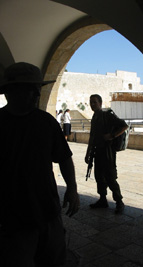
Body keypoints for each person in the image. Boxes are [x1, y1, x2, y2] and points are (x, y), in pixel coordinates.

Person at [0, 62, 80, 267]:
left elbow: (63, 157)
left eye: (37, 89)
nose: (36, 94)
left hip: (47, 210)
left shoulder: (46, 122)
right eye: (30, 89)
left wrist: (72, 188)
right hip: (13, 217)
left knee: (54, 259)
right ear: (10, 91)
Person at [85, 94, 128, 214]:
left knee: (110, 177)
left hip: (107, 152)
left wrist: (112, 136)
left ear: (100, 103)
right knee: (99, 176)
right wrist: (88, 153)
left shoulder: (107, 115)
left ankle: (119, 202)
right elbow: (92, 136)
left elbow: (124, 126)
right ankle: (103, 199)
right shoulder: (95, 117)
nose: (92, 104)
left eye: (94, 102)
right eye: (91, 102)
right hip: (97, 152)